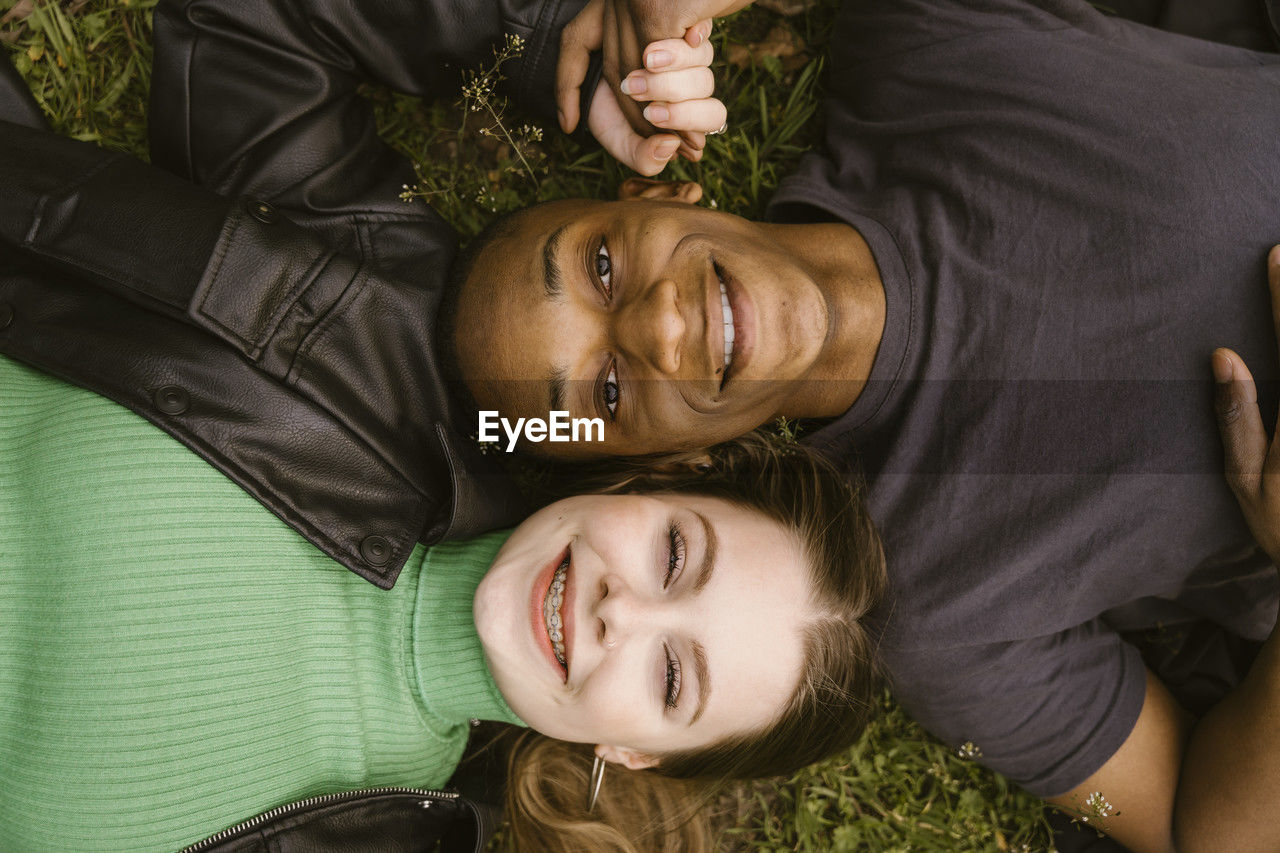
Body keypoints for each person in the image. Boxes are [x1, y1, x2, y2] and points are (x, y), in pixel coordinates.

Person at [0, 345, 886, 851]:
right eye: (676, 552)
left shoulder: (378, 839)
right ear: (654, 483)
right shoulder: (384, 348)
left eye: (669, 678)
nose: (624, 611)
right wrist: (539, 38)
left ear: (636, 751)